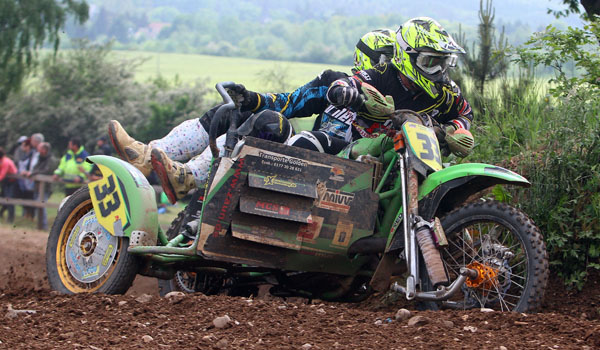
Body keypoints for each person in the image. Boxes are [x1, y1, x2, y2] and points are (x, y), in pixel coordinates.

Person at [110, 17, 473, 202]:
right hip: (323, 160)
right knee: (264, 121)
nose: (439, 71)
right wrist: (254, 100)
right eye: (431, 62)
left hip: (383, 169)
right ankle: (166, 162)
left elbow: (465, 113)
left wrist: (457, 129)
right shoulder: (351, 81)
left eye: (443, 63)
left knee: (281, 126)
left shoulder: (443, 95)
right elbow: (294, 99)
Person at [25, 142, 55, 230]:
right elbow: (35, 168)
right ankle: (40, 225)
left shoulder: (50, 160)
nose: (38, 150)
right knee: (38, 205)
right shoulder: (40, 158)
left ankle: (44, 226)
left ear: (44, 150)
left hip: (46, 187)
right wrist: (33, 173)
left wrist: (33, 173)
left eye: (40, 148)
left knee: (42, 205)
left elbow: (47, 171)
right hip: (37, 186)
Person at [0, 147, 18, 224]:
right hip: (6, 182)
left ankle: (10, 218)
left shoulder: (5, 162)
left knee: (9, 200)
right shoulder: (2, 161)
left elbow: (2, 175)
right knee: (4, 198)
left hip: (12, 183)